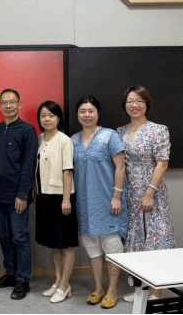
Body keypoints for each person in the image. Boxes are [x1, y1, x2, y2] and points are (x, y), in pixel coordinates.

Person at [117, 85, 177, 302]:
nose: (135, 105)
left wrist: (150, 193)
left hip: (152, 192)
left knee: (155, 239)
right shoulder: (120, 131)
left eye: (139, 101)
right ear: (125, 105)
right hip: (130, 193)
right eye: (130, 101)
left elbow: (162, 164)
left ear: (147, 104)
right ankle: (141, 290)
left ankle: (156, 291)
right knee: (136, 240)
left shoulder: (158, 130)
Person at [71, 96, 127, 309]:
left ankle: (112, 290)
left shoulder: (109, 136)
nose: (87, 115)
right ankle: (98, 288)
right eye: (82, 111)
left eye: (91, 111)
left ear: (98, 113)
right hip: (84, 204)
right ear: (78, 114)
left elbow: (121, 167)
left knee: (112, 246)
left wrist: (116, 196)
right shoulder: (73, 140)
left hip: (108, 201)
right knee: (92, 246)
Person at [0, 89, 37, 300]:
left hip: (17, 196)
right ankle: (10, 273)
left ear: (19, 105)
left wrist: (22, 194)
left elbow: (29, 165)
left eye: (12, 102)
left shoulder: (27, 130)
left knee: (20, 237)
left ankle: (22, 280)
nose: (8, 106)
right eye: (4, 102)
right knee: (3, 236)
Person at [34, 100, 78, 304]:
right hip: (45, 196)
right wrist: (36, 193)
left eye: (51, 115)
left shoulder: (64, 140)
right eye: (43, 115)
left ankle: (65, 285)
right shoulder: (39, 139)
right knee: (54, 243)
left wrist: (66, 199)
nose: (47, 119)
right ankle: (58, 281)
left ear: (58, 118)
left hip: (62, 197)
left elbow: (67, 170)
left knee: (66, 243)